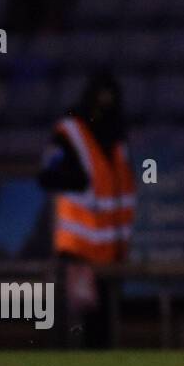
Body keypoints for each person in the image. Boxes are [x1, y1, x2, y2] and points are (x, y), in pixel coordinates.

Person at [37, 70, 135, 348]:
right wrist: (73, 177)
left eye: (111, 97)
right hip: (78, 247)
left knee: (102, 328)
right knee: (75, 324)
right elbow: (47, 174)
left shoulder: (117, 137)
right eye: (101, 97)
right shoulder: (69, 131)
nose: (106, 104)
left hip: (110, 249)